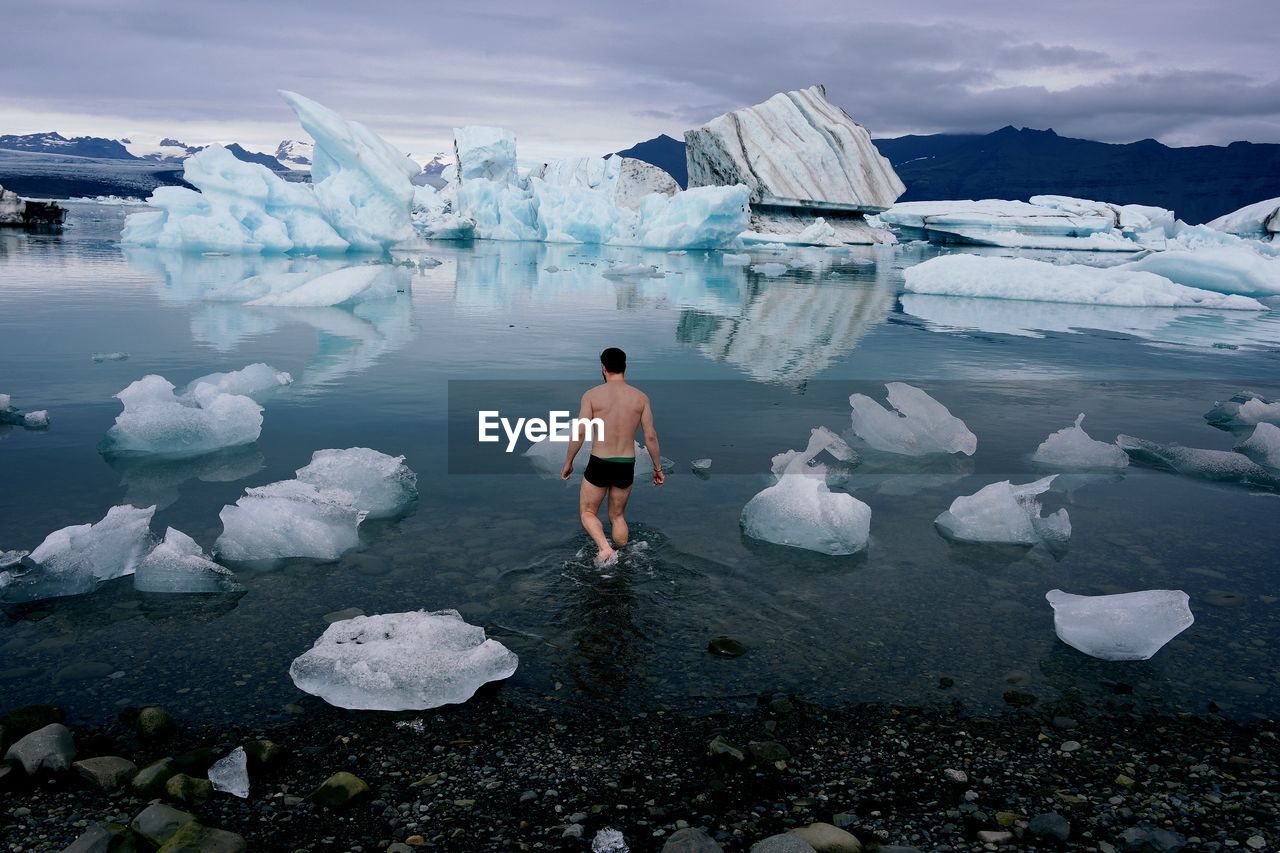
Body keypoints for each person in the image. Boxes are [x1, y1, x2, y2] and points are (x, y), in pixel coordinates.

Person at [561, 347, 663, 563]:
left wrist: (568, 461)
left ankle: (605, 548)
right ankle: (623, 558)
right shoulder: (640, 398)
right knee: (617, 516)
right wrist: (657, 468)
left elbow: (580, 431)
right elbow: (651, 436)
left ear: (603, 368)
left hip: (600, 462)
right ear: (625, 367)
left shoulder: (592, 395)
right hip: (625, 463)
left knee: (588, 512)